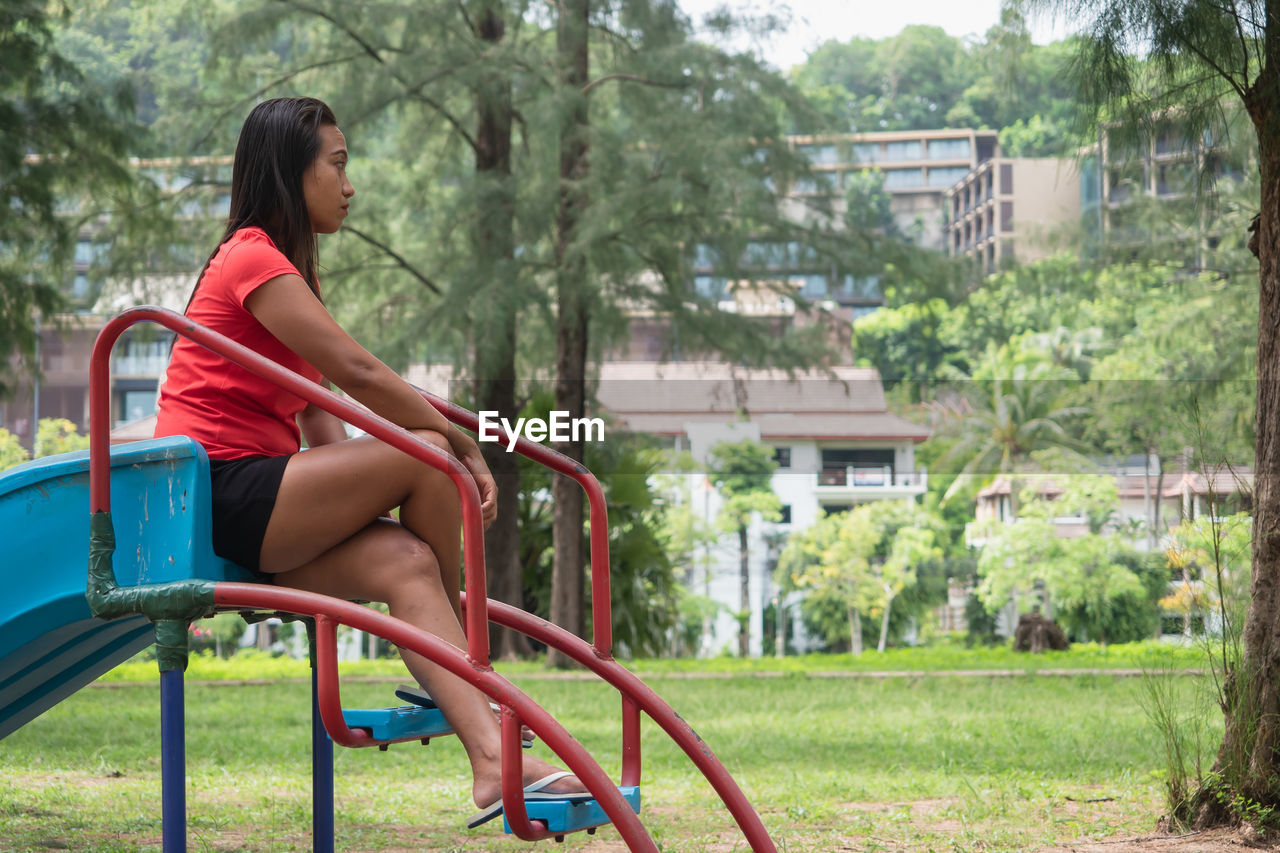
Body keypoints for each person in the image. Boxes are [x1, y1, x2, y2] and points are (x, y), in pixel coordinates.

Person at [153, 96, 587, 826]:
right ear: (294, 172)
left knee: (405, 562)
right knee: (421, 454)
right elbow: (359, 373)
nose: (350, 185)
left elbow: (320, 409)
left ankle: (489, 760)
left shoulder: (290, 271)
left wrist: (370, 512)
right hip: (222, 493)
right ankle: (467, 660)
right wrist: (457, 443)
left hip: (265, 507)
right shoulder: (251, 257)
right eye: (338, 164)